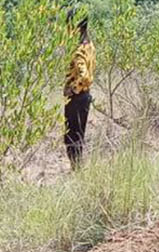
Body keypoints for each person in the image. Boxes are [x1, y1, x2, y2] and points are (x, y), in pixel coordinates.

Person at [64, 14, 94, 169]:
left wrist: (72, 89)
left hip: (77, 98)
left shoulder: (78, 51)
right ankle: (77, 168)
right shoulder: (89, 45)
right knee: (79, 134)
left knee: (71, 135)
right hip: (85, 96)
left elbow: (85, 76)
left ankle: (75, 168)